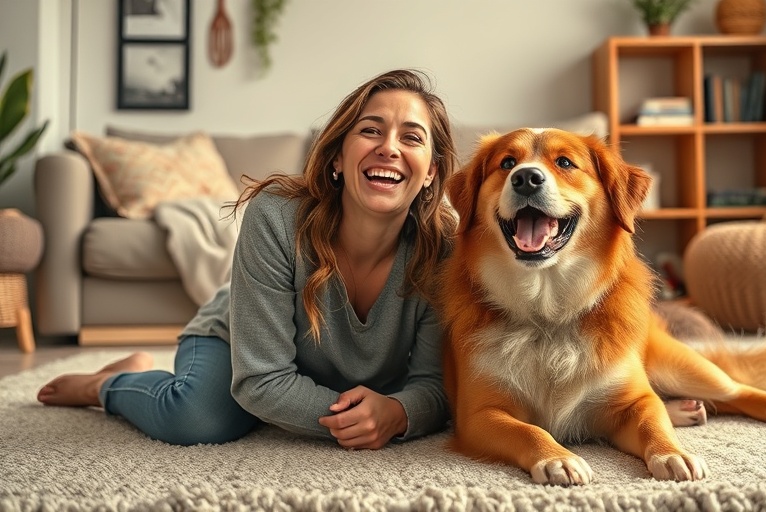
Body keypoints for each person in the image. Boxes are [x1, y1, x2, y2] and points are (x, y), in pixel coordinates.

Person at [37, 68, 459, 450]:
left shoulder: (446, 248)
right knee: (196, 419)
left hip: (337, 376)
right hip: (238, 334)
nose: (389, 148)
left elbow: (433, 384)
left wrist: (399, 414)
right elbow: (262, 381)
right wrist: (363, 418)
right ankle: (110, 383)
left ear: (430, 173)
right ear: (336, 157)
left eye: (411, 137)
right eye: (371, 130)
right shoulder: (275, 215)